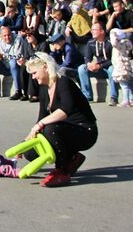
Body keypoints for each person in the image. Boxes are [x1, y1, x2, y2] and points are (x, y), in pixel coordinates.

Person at [24, 53, 98, 187]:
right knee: (29, 152)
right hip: (64, 129)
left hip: (84, 130)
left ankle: (61, 169)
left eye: (34, 73)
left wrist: (41, 124)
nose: (33, 77)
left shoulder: (63, 82)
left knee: (50, 128)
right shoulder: (43, 88)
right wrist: (27, 140)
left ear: (45, 67)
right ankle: (73, 157)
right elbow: (42, 116)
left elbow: (65, 111)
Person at [77, 22, 117, 104]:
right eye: (92, 30)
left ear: (102, 31)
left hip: (108, 67)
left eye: (94, 30)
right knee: (82, 68)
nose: (92, 31)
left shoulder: (110, 42)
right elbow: (87, 58)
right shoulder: (91, 42)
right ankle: (87, 96)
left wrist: (100, 66)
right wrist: (89, 65)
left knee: (112, 69)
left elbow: (113, 60)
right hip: (98, 69)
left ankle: (113, 97)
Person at [109, 29, 133, 107]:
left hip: (120, 66)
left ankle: (126, 101)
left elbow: (114, 43)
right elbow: (130, 46)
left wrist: (113, 34)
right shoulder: (125, 42)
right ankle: (132, 99)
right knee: (126, 83)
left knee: (123, 84)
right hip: (123, 65)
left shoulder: (119, 44)